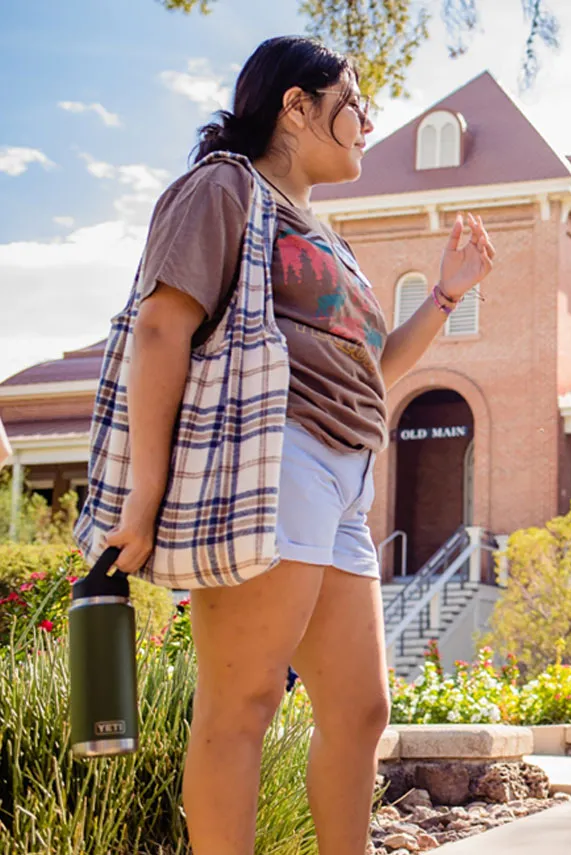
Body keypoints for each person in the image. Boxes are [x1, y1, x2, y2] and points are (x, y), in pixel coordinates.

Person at [99, 36, 494, 855]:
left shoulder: (326, 235)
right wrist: (144, 496)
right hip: (273, 456)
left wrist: (448, 292)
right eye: (352, 103)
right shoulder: (222, 189)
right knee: (242, 704)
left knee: (359, 710)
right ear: (296, 105)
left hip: (348, 475)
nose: (366, 122)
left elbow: (372, 368)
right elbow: (163, 326)